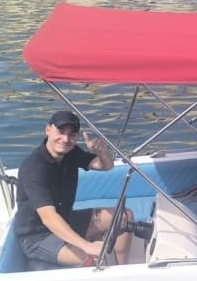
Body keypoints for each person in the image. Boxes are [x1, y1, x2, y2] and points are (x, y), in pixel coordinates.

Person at [13, 110, 134, 267]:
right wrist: (86, 245)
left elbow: (106, 166)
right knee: (93, 257)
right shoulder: (34, 168)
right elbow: (48, 217)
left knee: (123, 217)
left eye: (72, 135)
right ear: (48, 129)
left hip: (66, 219)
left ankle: (123, 271)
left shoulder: (71, 153)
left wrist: (100, 152)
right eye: (61, 132)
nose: (65, 139)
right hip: (38, 236)